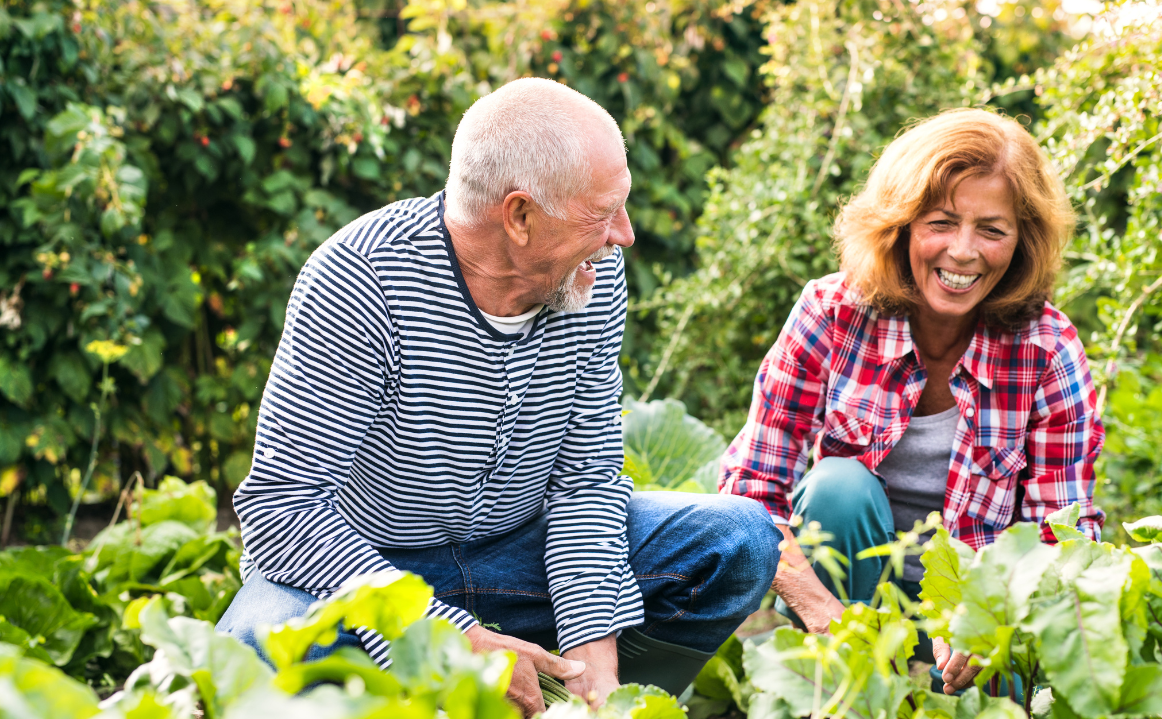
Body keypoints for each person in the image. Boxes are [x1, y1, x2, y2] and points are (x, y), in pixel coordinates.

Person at [215, 78, 780, 715]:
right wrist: (451, 636)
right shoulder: (362, 278)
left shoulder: (586, 273)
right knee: (257, 647)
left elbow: (586, 482)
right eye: (603, 213)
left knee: (740, 542)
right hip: (372, 572)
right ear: (518, 215)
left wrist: (598, 665)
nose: (623, 234)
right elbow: (283, 510)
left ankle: (562, 699)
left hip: (519, 558)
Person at [719, 108, 1104, 695]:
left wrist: (987, 619)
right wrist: (824, 615)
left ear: (1022, 242)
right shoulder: (832, 313)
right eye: (942, 222)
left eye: (992, 230)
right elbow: (750, 492)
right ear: (901, 223)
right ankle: (841, 692)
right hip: (846, 600)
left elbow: (1062, 534)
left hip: (976, 617)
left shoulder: (1047, 350)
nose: (964, 252)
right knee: (839, 486)